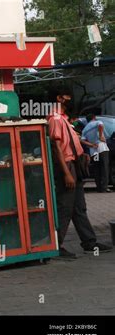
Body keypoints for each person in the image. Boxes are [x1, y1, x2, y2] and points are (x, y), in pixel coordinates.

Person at [47, 89, 112, 259]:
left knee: (79, 207)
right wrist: (67, 173)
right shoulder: (54, 119)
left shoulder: (64, 119)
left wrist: (80, 154)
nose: (71, 99)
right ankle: (56, 246)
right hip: (66, 167)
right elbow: (56, 148)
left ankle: (89, 242)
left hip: (74, 165)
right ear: (59, 98)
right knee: (65, 207)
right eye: (68, 96)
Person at [82, 114, 111, 193]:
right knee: (104, 168)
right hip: (102, 149)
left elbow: (82, 140)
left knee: (97, 168)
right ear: (94, 118)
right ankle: (104, 188)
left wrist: (91, 145)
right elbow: (101, 125)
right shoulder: (98, 122)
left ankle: (99, 187)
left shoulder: (85, 129)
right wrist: (101, 135)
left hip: (94, 151)